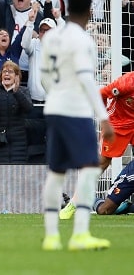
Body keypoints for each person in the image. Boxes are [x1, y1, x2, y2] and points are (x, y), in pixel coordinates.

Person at [40, 0, 114, 251]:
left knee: (56, 171)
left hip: (54, 107)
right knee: (90, 168)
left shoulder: (51, 37)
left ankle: (51, 236)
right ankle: (80, 232)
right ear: (89, 10)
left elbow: (43, 76)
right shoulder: (82, 40)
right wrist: (104, 117)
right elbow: (85, 78)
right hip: (76, 110)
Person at [60, 69, 134, 219]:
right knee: (102, 163)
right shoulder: (125, 83)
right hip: (117, 124)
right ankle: (75, 201)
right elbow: (101, 94)